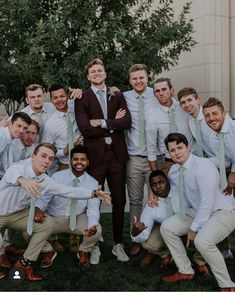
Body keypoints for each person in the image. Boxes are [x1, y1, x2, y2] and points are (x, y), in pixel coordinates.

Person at [0, 143, 111, 280]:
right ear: (33, 156)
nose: (47, 161)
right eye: (43, 156)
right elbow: (12, 173)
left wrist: (93, 193)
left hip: (16, 214)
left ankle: (24, 264)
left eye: (51, 159)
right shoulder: (19, 168)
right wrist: (22, 180)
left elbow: (67, 191)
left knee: (45, 224)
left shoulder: (45, 179)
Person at [160, 133, 235, 291]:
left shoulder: (203, 166)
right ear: (169, 153)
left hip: (222, 211)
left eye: (180, 147)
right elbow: (174, 193)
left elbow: (207, 202)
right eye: (172, 150)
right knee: (167, 227)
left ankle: (227, 285)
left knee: (202, 241)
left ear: (188, 147)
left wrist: (193, 230)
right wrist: (153, 195)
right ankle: (185, 270)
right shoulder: (174, 171)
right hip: (197, 210)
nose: (177, 152)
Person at [75, 58, 131, 262]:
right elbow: (85, 129)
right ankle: (94, 243)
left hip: (117, 156)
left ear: (105, 73)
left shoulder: (116, 94)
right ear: (88, 76)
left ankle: (118, 244)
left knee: (119, 200)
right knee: (94, 201)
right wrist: (112, 125)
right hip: (96, 157)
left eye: (100, 70)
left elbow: (126, 121)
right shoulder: (82, 97)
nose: (97, 73)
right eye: (93, 71)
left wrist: (103, 122)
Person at [178, 89, 233, 259]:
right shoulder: (190, 121)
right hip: (213, 167)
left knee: (226, 210)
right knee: (217, 209)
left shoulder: (217, 121)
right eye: (183, 103)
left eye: (189, 100)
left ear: (197, 100)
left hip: (226, 168)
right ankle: (224, 250)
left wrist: (232, 173)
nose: (187, 105)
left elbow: (228, 153)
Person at [34, 145, 102, 267]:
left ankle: (84, 250)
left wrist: (92, 226)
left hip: (76, 218)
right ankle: (48, 251)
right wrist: (38, 209)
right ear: (71, 161)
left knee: (97, 231)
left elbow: (93, 210)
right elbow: (44, 199)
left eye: (83, 159)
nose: (79, 162)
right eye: (76, 159)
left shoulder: (93, 183)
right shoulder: (57, 177)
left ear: (88, 162)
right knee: (28, 230)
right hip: (54, 218)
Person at [124, 64, 159, 256]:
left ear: (147, 78)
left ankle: (156, 241)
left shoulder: (157, 95)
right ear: (130, 81)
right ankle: (136, 238)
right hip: (134, 158)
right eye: (134, 78)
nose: (138, 81)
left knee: (157, 199)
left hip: (157, 158)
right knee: (136, 200)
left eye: (142, 77)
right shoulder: (124, 97)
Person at [146, 78, 194, 174]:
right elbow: (151, 149)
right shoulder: (152, 116)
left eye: (164, 89)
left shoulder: (185, 108)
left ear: (171, 90)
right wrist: (156, 174)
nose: (161, 93)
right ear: (154, 95)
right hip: (169, 163)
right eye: (157, 91)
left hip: (191, 159)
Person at [202, 97, 235, 192]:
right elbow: (225, 161)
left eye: (215, 113)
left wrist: (233, 171)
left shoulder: (233, 127)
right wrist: (200, 162)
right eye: (207, 115)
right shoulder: (212, 137)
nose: (211, 118)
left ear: (224, 114)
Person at [0, 112, 32, 178]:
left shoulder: (10, 140)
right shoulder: (2, 135)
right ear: (10, 123)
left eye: (25, 128)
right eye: (19, 126)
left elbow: (8, 166)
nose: (21, 131)